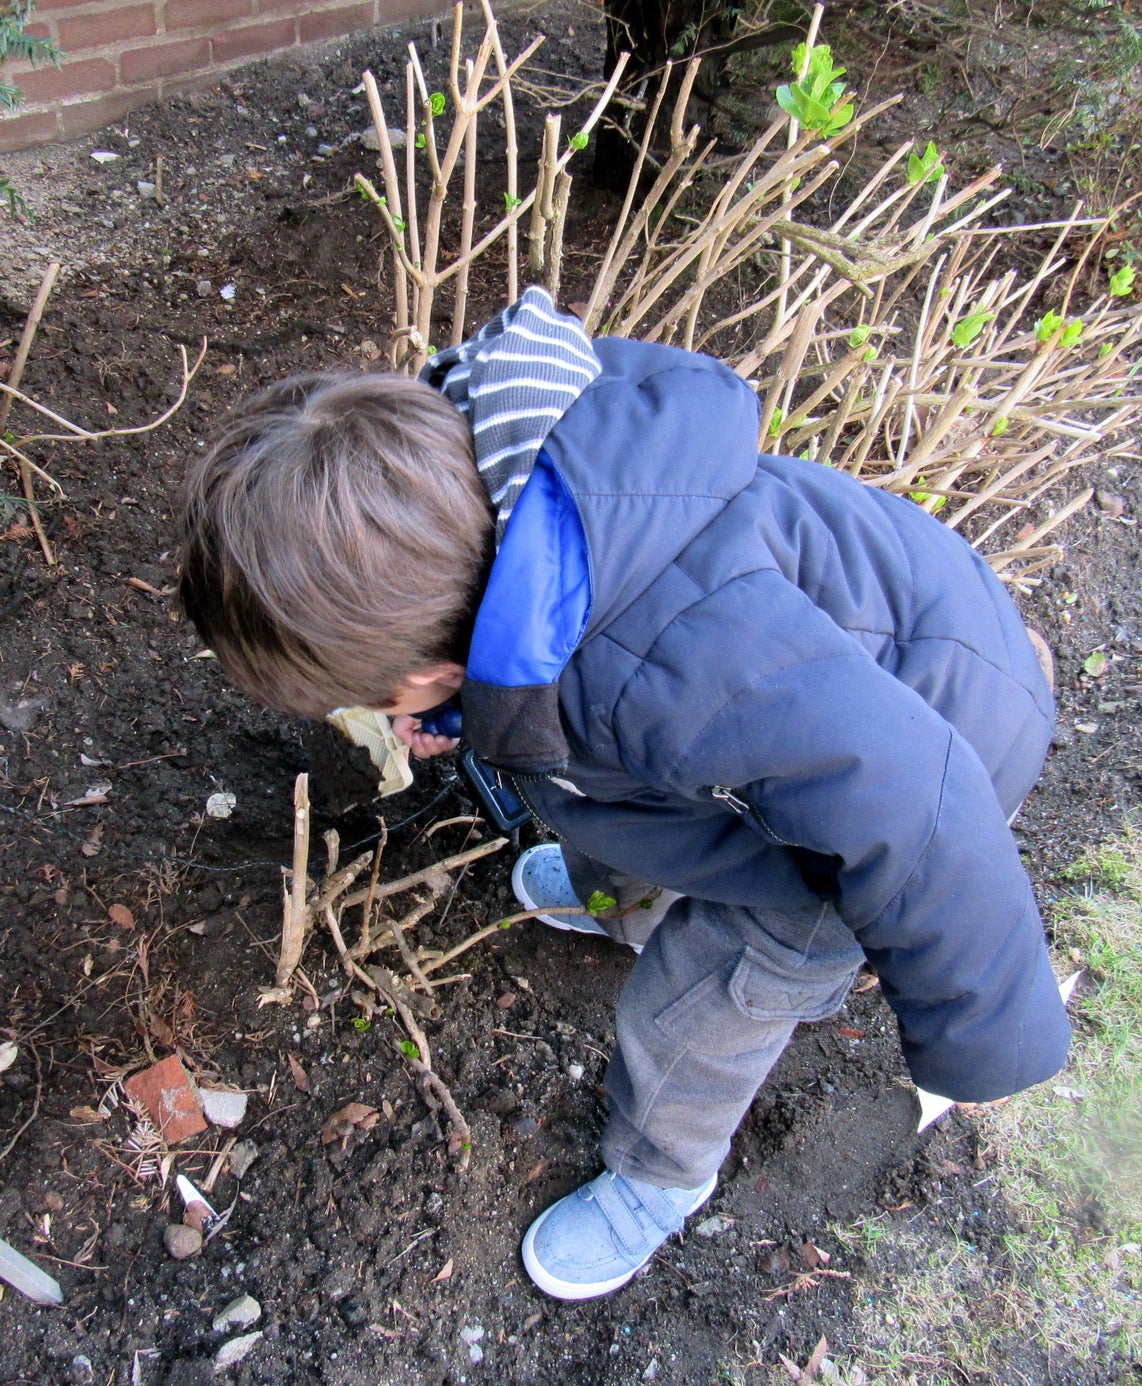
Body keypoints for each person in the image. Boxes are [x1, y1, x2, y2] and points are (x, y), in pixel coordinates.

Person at [178, 287, 1071, 1302]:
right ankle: (624, 905)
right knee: (577, 774)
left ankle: (660, 1178)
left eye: (368, 697)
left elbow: (914, 804)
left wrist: (980, 1038)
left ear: (420, 674)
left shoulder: (667, 676)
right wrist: (472, 706)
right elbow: (556, 679)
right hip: (868, 648)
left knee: (702, 1008)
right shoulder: (509, 493)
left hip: (906, 779)